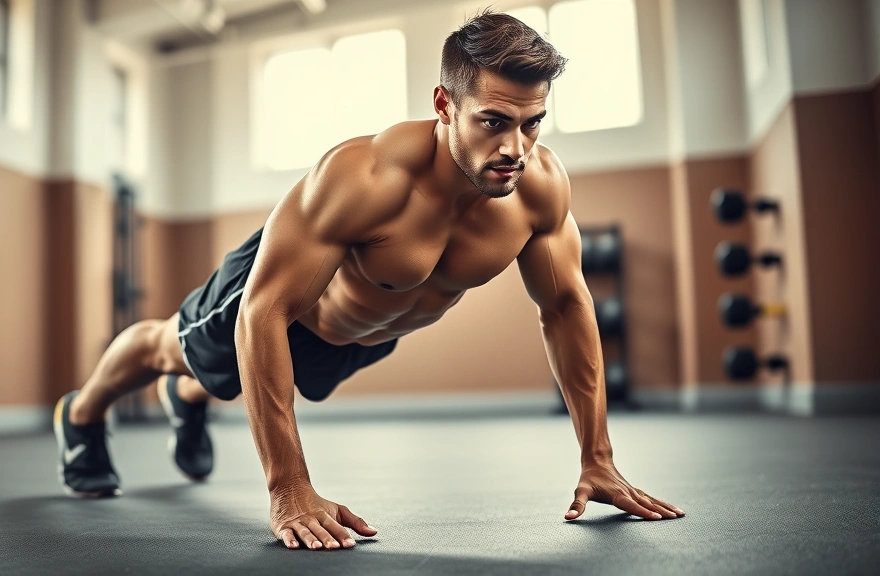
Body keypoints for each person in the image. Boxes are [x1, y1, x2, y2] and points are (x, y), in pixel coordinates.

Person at [53, 10, 685, 551]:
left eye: (532, 123)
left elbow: (567, 307)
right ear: (444, 105)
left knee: (218, 382)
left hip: (356, 336)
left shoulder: (539, 190)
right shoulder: (362, 177)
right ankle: (81, 416)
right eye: (493, 121)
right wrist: (288, 489)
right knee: (172, 347)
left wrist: (597, 457)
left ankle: (191, 398)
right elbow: (262, 314)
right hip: (278, 296)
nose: (516, 148)